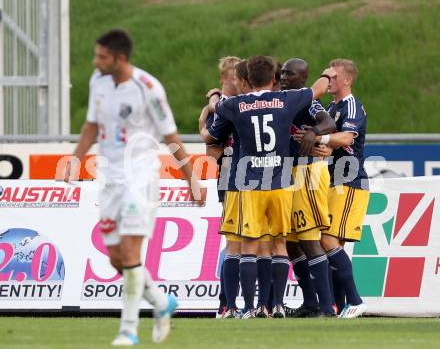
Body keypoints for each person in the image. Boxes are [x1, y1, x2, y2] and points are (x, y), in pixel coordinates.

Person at [64, 29, 204, 345]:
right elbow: (91, 126)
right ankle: (160, 302)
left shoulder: (148, 89)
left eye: (101, 56)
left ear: (120, 58)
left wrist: (191, 179)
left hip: (140, 178)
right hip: (109, 178)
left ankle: (128, 329)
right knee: (117, 258)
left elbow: (171, 137)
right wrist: (75, 159)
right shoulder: (97, 81)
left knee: (130, 250)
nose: (94, 61)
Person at [200, 55, 336, 318]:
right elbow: (318, 88)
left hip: (249, 183)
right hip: (281, 183)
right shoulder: (287, 99)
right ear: (274, 79)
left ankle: (249, 308)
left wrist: (214, 98)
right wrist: (328, 75)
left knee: (248, 245)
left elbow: (213, 131)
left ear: (247, 80)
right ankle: (274, 307)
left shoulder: (236, 105)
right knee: (279, 246)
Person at [295, 58, 369, 318]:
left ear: (347, 80)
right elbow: (329, 144)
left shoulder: (352, 105)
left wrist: (321, 138)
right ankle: (340, 305)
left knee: (327, 239)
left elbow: (347, 138)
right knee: (330, 243)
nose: (329, 80)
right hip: (332, 179)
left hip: (349, 181)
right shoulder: (332, 106)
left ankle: (356, 301)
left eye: (333, 76)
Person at [280, 58, 336, 317]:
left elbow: (328, 122)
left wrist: (314, 133)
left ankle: (326, 307)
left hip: (309, 172)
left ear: (302, 78)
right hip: (288, 174)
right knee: (292, 243)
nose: (283, 77)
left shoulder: (305, 100)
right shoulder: (280, 98)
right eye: (282, 73)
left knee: (310, 239)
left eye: (289, 74)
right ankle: (311, 303)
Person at [200, 56, 241, 318]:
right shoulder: (226, 106)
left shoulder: (230, 104)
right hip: (230, 175)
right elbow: (211, 148)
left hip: (249, 174)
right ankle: (225, 303)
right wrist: (205, 124)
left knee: (252, 242)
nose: (242, 81)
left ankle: (253, 305)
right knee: (234, 240)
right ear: (225, 80)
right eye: (237, 77)